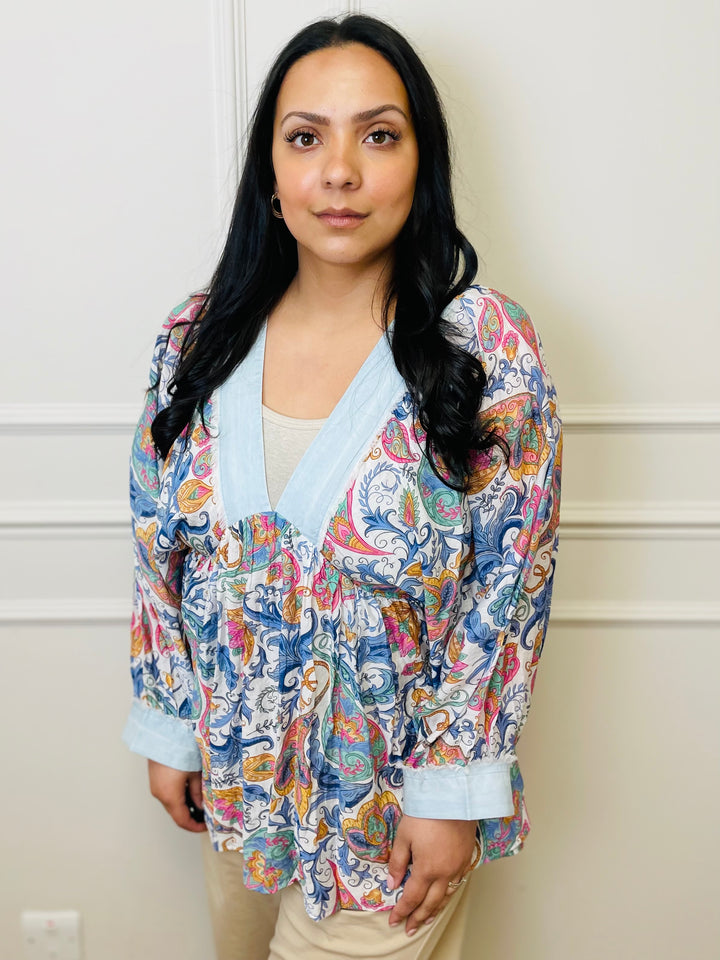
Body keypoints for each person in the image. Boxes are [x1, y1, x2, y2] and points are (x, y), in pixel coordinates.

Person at [122, 13, 562, 960]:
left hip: (393, 817)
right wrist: (172, 726)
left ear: (422, 161)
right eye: (305, 137)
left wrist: (451, 790)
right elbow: (158, 547)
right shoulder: (196, 339)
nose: (340, 172)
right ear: (270, 171)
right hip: (234, 787)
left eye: (379, 135)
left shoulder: (485, 346)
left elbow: (509, 589)